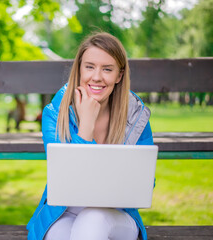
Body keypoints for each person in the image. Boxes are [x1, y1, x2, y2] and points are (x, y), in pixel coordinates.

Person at [26, 32, 154, 240]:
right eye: (89, 67)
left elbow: (145, 183)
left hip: (116, 215)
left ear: (119, 75)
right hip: (64, 213)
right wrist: (86, 125)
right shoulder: (55, 113)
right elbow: (66, 178)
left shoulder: (135, 116)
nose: (96, 77)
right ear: (79, 70)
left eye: (107, 69)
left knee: (92, 219)